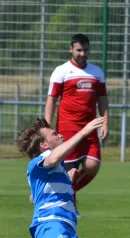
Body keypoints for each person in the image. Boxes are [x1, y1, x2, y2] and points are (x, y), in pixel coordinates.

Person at [16, 117, 130, 238]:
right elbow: (52, 158)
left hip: (69, 232)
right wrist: (84, 131)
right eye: (54, 134)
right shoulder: (39, 161)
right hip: (50, 224)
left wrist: (67, 181)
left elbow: (34, 197)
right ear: (44, 144)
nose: (60, 134)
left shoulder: (56, 169)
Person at [44, 33, 108, 207]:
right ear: (71, 49)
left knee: (93, 165)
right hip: (67, 129)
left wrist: (105, 121)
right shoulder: (61, 71)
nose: (82, 53)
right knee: (67, 171)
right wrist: (46, 127)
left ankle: (67, 191)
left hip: (89, 128)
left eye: (85, 50)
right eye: (79, 50)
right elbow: (51, 99)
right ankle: (62, 200)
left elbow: (102, 99)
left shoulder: (96, 72)